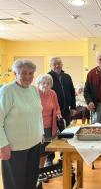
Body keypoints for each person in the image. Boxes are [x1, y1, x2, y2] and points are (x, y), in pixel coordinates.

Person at [0, 59, 43, 189]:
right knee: (15, 184)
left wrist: (40, 132)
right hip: (14, 148)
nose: (28, 77)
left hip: (34, 144)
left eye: (31, 73)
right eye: (24, 73)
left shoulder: (34, 90)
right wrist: (3, 145)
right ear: (15, 74)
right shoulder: (7, 91)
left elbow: (38, 114)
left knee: (30, 181)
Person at [47, 57, 76, 166]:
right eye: (54, 64)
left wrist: (73, 107)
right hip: (51, 113)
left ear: (62, 64)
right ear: (50, 66)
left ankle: (65, 156)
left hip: (65, 112)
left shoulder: (67, 77)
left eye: (59, 63)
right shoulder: (48, 77)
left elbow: (72, 92)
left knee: (65, 134)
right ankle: (49, 159)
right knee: (51, 136)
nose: (57, 66)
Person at [35, 74, 62, 178]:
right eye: (43, 83)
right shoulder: (35, 93)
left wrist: (58, 113)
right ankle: (37, 172)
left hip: (51, 126)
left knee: (46, 150)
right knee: (39, 151)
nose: (46, 85)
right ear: (39, 83)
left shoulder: (52, 93)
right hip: (38, 126)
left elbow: (56, 106)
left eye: (48, 83)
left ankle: (41, 171)